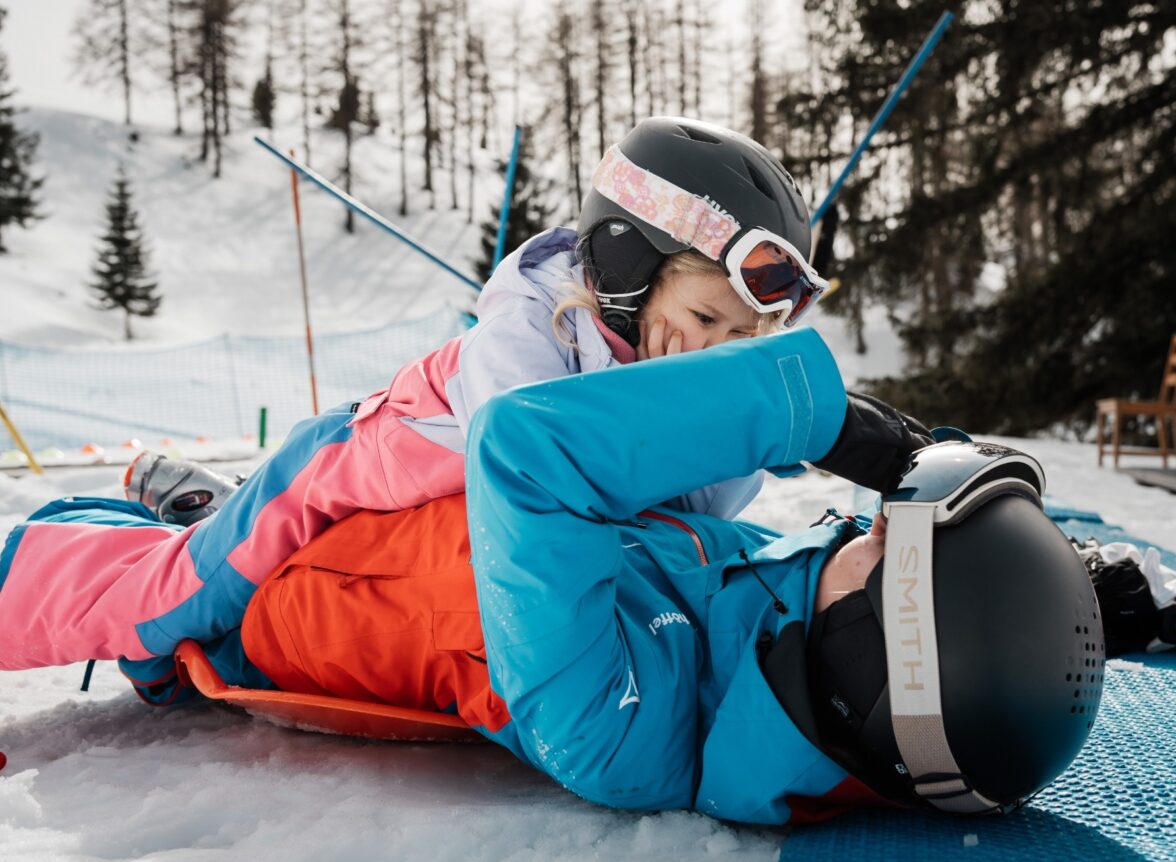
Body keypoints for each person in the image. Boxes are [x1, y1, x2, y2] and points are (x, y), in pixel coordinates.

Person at [0, 116, 827, 686]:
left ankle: (198, 505)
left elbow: (688, 517)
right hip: (329, 469)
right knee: (179, 597)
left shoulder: (669, 363)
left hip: (412, 517)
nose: (716, 352)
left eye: (739, 341)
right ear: (625, 265)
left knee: (293, 592)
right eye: (706, 319)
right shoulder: (529, 336)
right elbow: (543, 471)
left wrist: (744, 432)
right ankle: (24, 581)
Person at [214, 330, 1103, 823]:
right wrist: (1040, 582)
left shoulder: (623, 727)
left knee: (136, 543)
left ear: (871, 637)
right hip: (378, 506)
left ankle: (180, 510)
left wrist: (813, 419)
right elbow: (975, 667)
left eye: (884, 541)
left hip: (270, 585)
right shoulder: (764, 626)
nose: (858, 521)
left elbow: (524, 447)